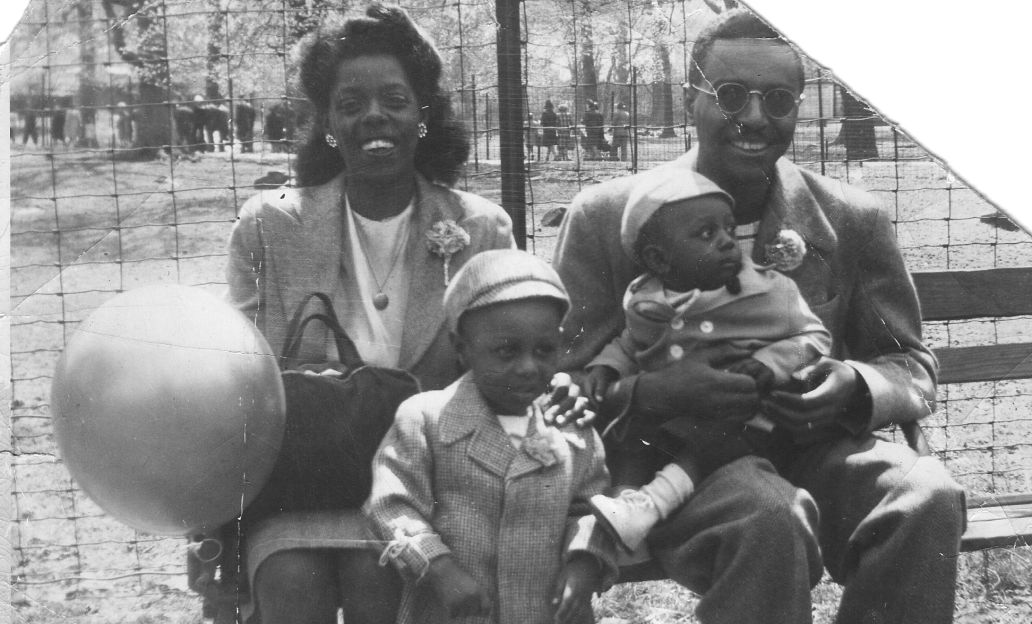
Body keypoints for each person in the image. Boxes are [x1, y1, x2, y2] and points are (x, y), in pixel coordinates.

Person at [553, 9, 965, 624]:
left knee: (926, 496)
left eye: (777, 99)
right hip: (676, 459)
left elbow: (910, 363)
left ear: (800, 106)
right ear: (692, 100)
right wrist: (651, 391)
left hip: (815, 445)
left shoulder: (849, 219)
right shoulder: (606, 217)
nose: (753, 117)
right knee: (769, 516)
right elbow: (561, 377)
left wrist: (854, 386)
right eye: (730, 94)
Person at [223, 7, 523, 624]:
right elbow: (238, 375)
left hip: (428, 480)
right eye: (350, 103)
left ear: (423, 115)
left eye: (395, 99)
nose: (374, 117)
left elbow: (512, 362)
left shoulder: (480, 228)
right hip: (306, 478)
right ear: (328, 122)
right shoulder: (268, 226)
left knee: (378, 576)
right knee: (289, 579)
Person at [583, 168, 831, 553]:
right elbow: (631, 342)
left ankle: (652, 505)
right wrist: (607, 365)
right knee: (633, 438)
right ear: (659, 261)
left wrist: (770, 362)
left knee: (710, 443)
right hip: (666, 417)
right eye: (706, 234)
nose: (727, 243)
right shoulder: (645, 300)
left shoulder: (769, 291)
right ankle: (621, 511)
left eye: (729, 231)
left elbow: (815, 337)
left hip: (742, 419)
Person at [368, 249, 616, 624]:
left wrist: (584, 561)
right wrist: (438, 567)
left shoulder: (568, 424)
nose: (529, 367)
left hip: (544, 611)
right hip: (456, 611)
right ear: (462, 349)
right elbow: (391, 506)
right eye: (506, 352)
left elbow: (590, 506)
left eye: (544, 350)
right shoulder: (426, 419)